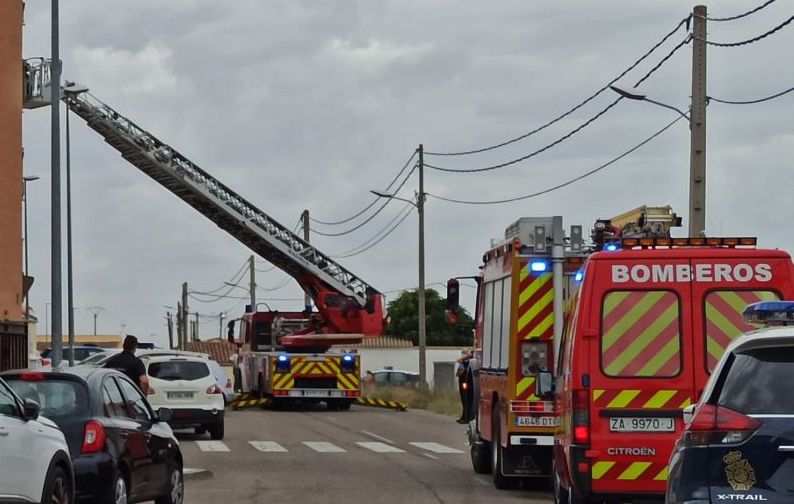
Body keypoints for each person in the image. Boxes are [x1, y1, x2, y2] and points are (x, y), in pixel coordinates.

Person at [455, 349, 472, 424]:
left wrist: (466, 356)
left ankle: (466, 418)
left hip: (466, 383)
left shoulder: (470, 362)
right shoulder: (462, 363)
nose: (463, 354)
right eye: (462, 353)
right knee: (463, 401)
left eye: (465, 353)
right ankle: (463, 417)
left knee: (466, 401)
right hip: (461, 382)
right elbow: (458, 373)